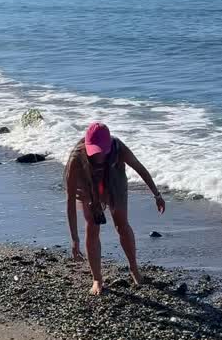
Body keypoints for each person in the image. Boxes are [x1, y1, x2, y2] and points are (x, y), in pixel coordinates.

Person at [65, 121, 165, 295]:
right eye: (94, 151)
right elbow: (70, 201)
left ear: (109, 145)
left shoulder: (118, 148)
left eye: (102, 151)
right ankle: (97, 278)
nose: (98, 156)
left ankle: (134, 269)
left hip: (114, 179)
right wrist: (74, 239)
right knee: (92, 225)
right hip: (87, 184)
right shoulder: (76, 159)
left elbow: (140, 168)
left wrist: (157, 195)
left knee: (121, 224)